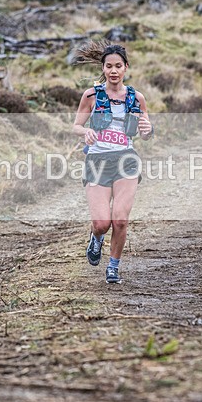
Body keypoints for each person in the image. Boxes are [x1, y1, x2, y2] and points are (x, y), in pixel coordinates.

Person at [72, 43, 153, 284]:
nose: (114, 71)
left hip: (126, 160)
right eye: (109, 66)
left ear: (126, 68)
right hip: (97, 160)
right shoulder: (91, 95)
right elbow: (76, 125)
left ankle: (113, 267)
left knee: (120, 219)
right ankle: (95, 239)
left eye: (119, 66)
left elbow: (146, 130)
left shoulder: (136, 98)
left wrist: (149, 129)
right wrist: (84, 132)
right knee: (101, 223)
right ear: (104, 68)